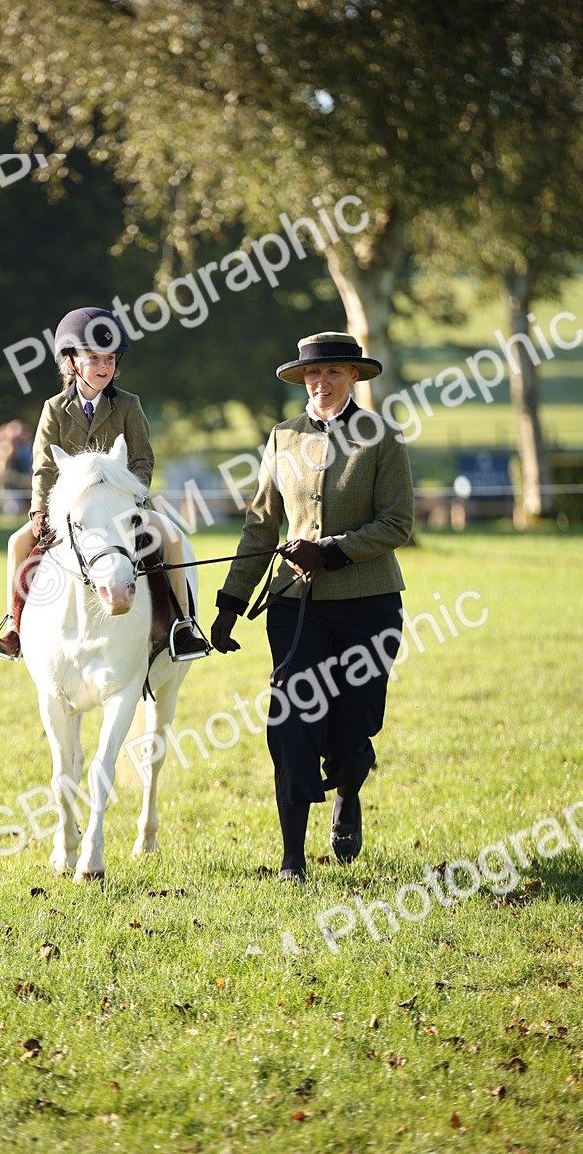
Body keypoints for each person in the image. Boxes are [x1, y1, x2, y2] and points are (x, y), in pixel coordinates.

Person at [210, 332, 413, 880]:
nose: (321, 384)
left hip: (369, 606)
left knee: (353, 727)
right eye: (313, 376)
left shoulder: (382, 437)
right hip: (296, 606)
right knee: (293, 720)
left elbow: (397, 524)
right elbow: (260, 526)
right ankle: (292, 858)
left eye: (334, 375)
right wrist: (231, 601)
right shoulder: (282, 438)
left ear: (353, 378)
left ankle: (349, 789)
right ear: (303, 381)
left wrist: (332, 550)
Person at [0, 306, 211, 662]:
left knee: (170, 538)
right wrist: (39, 510)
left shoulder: (128, 405)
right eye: (94, 358)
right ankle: (14, 626)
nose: (105, 366)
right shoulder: (54, 409)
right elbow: (44, 465)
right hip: (71, 512)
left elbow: (142, 459)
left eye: (109, 359)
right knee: (18, 543)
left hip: (122, 505)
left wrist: (131, 495)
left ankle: (183, 625)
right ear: (72, 362)